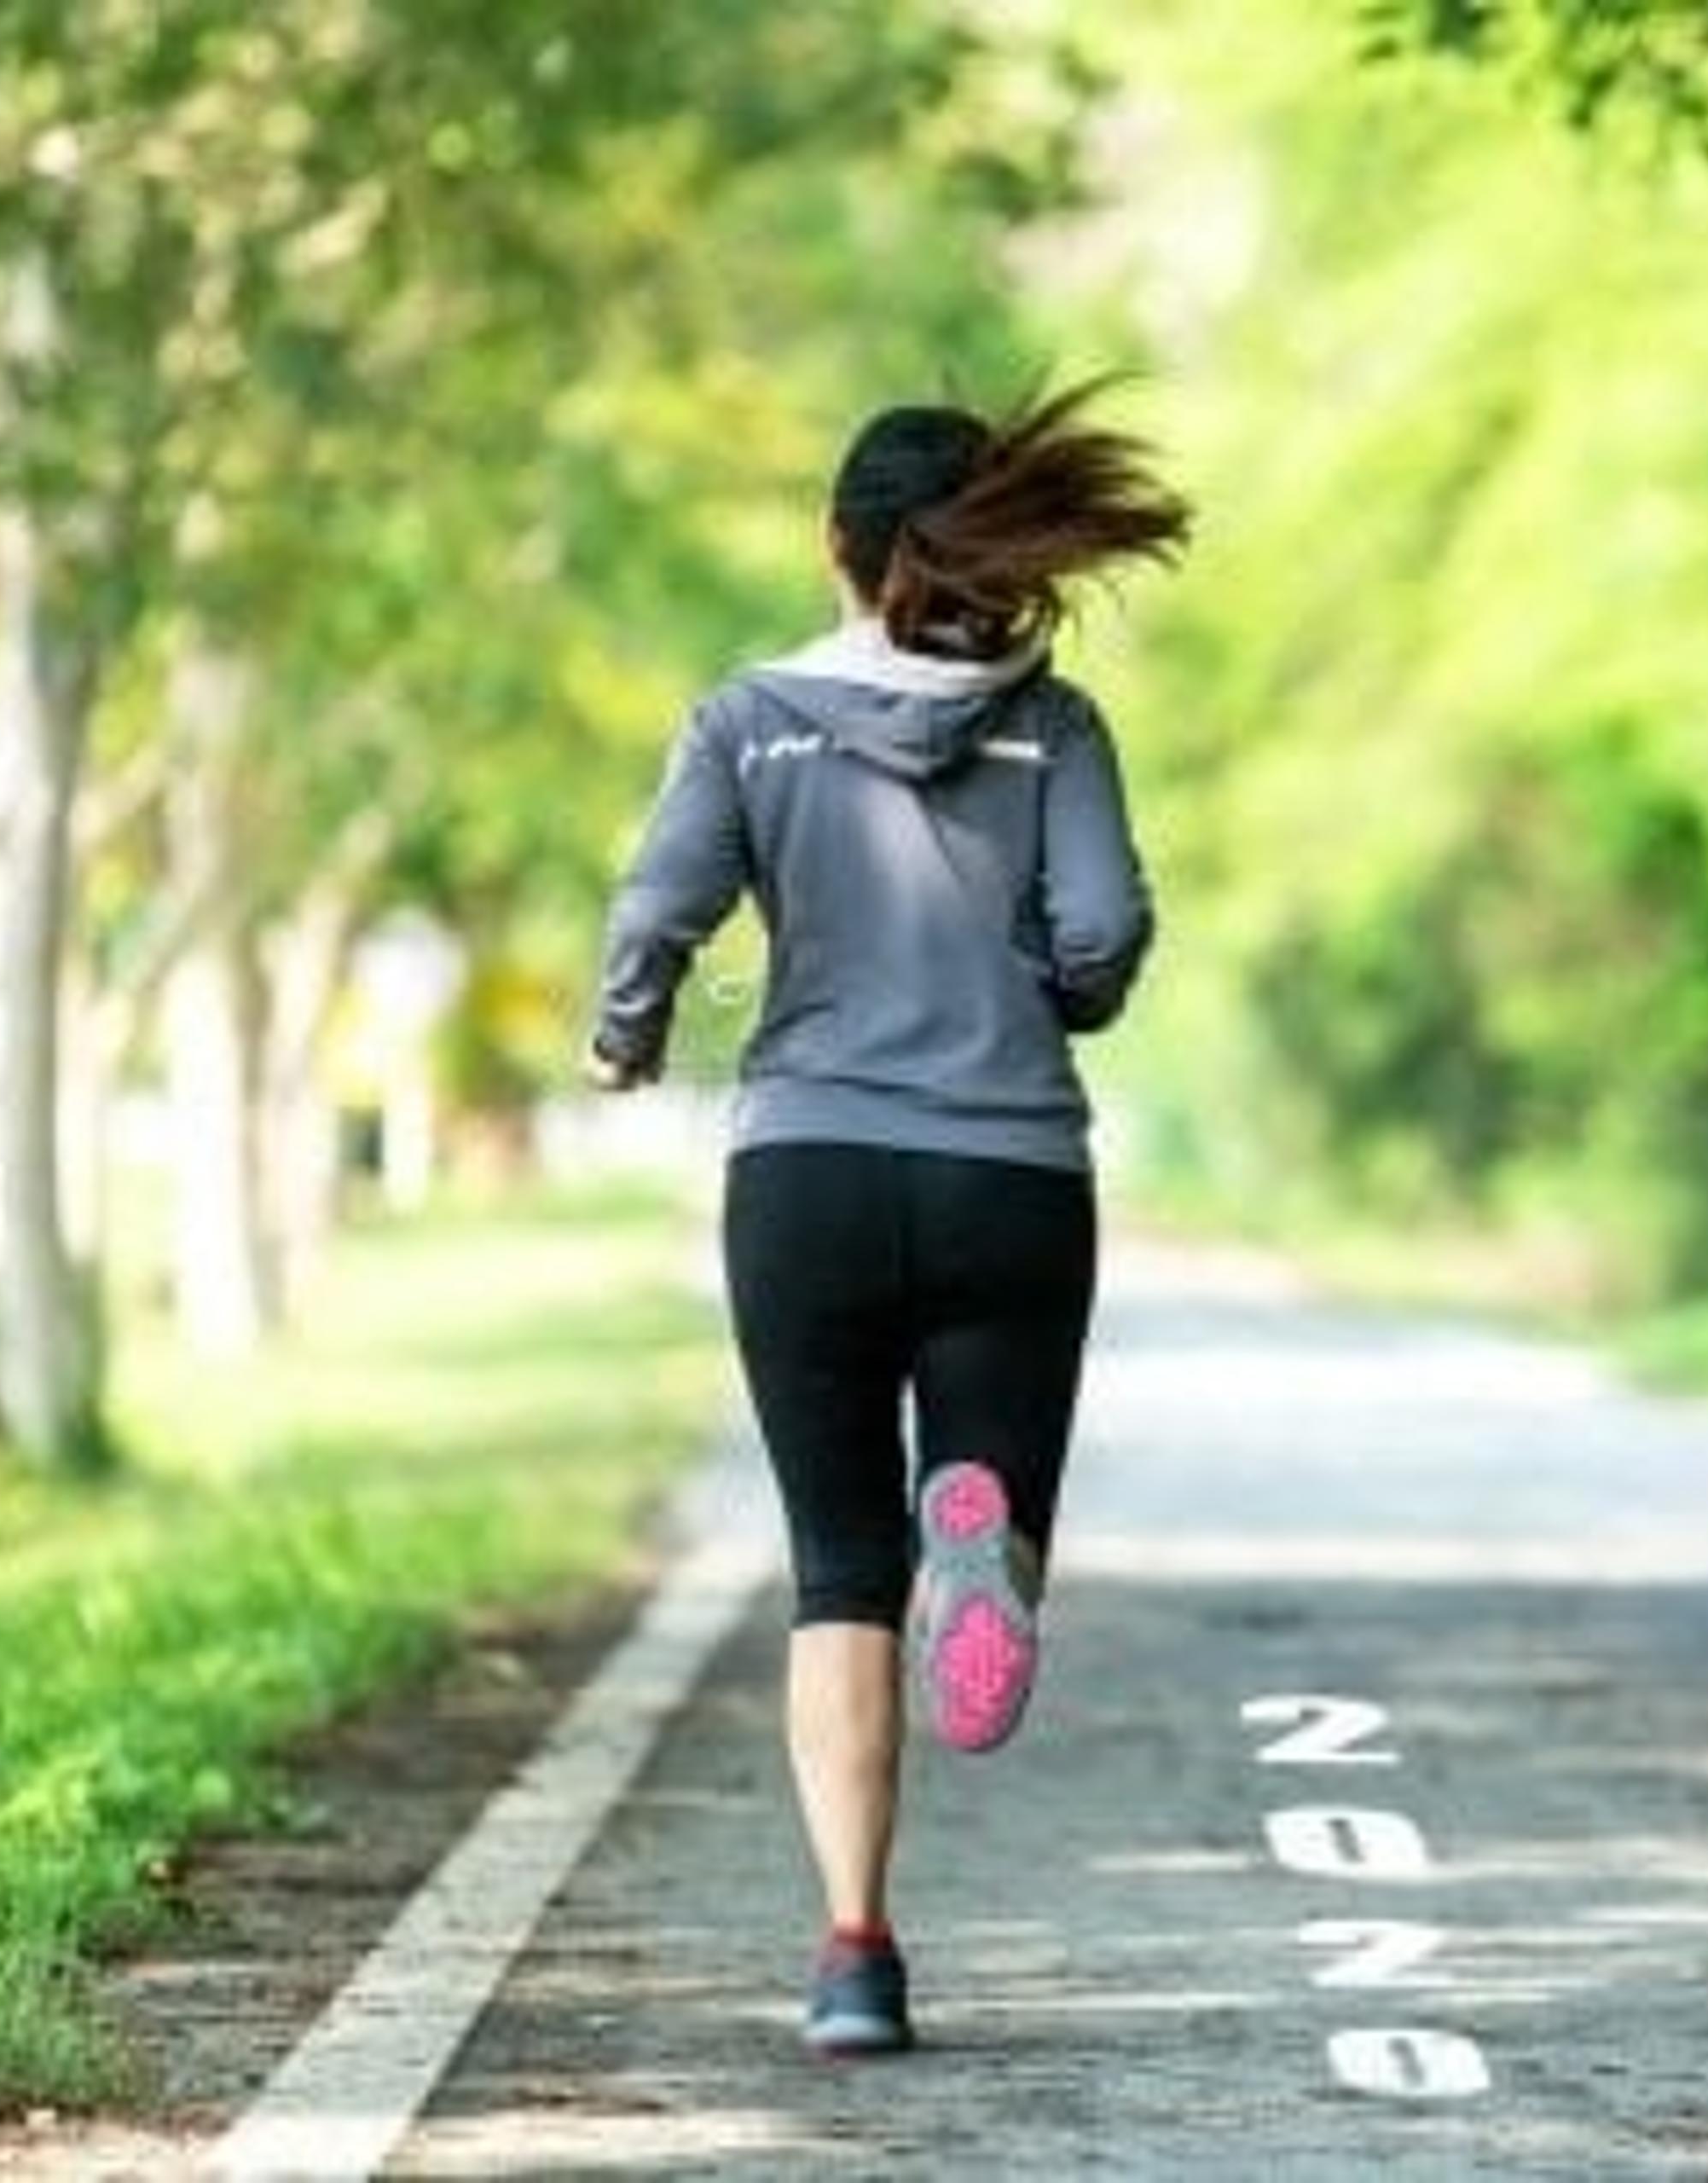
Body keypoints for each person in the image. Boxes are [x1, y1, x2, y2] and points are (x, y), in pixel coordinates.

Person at [582, 379, 1190, 2058]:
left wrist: (625, 1031)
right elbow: (1105, 928)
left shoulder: (749, 718)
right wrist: (1065, 987)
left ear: (837, 550)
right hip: (1010, 1175)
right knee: (968, 1506)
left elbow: (662, 905)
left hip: (811, 1178)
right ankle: (979, 1533)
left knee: (834, 1568)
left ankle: (856, 1947)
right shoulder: (1052, 724)